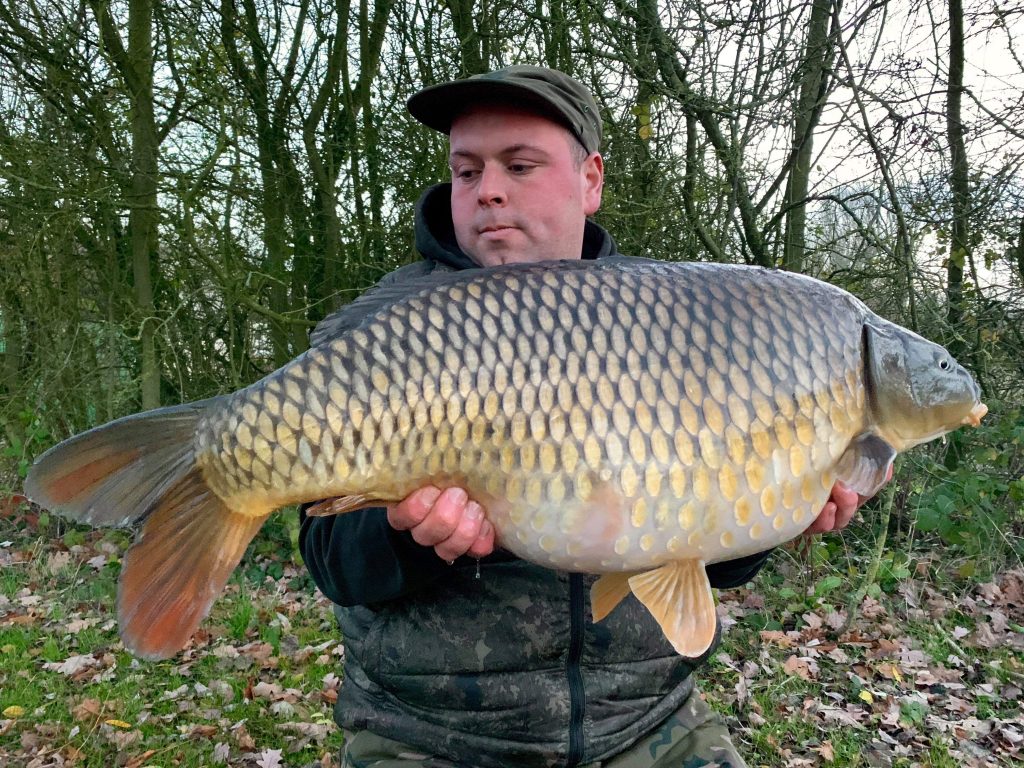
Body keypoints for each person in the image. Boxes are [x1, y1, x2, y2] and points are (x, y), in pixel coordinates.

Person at [299, 65, 876, 768]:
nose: (489, 191)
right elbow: (332, 565)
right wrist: (411, 536)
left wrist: (774, 513)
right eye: (466, 170)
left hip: (644, 722)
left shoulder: (680, 322)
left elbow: (706, 553)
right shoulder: (394, 332)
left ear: (591, 179)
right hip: (434, 735)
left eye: (519, 164)